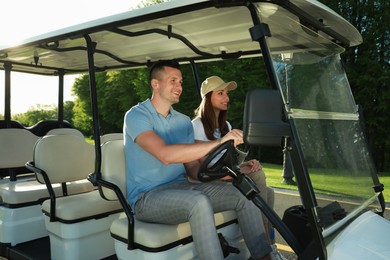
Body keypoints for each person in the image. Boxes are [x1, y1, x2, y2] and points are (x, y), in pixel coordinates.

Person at [124, 60, 274, 260]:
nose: (179, 87)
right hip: (147, 198)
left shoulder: (183, 121)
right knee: (198, 202)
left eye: (181, 81)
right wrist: (220, 142)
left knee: (242, 193)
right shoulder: (136, 116)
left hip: (182, 187)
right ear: (155, 84)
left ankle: (265, 256)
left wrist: (227, 174)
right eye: (173, 81)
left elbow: (194, 170)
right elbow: (165, 155)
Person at [192, 75, 285, 258]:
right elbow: (200, 166)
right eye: (220, 93)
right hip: (209, 182)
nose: (227, 97)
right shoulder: (196, 125)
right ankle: (267, 250)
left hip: (225, 177)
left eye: (227, 93)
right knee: (259, 187)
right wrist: (229, 174)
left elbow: (229, 162)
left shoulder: (225, 125)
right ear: (207, 98)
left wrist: (245, 165)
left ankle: (269, 246)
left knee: (264, 184)